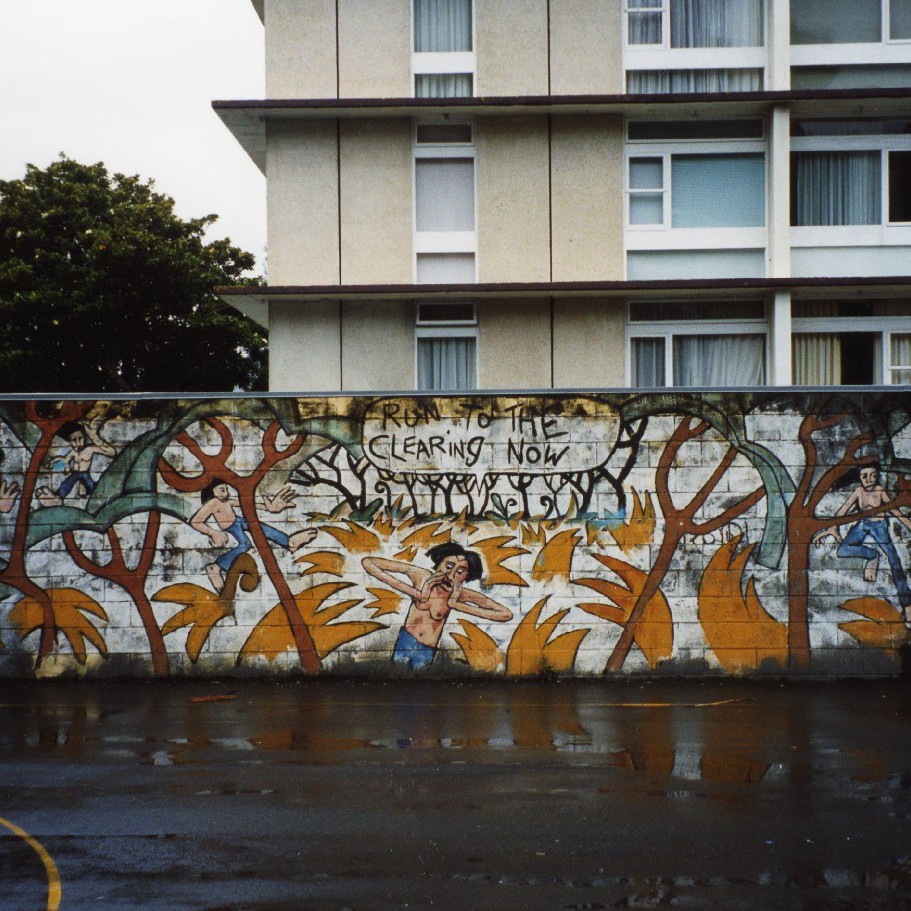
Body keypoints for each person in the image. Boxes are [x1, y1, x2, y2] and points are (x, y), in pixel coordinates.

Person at [362, 543, 512, 671]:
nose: (451, 574)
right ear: (440, 563)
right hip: (405, 640)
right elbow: (369, 563)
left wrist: (456, 604)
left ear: (466, 576)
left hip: (426, 649)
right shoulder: (421, 576)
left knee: (418, 692)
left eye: (459, 572)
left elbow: (506, 614)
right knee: (397, 683)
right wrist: (415, 593)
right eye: (448, 566)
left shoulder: (461, 594)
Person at [813, 463, 911, 618]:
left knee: (894, 560)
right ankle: (872, 555)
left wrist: (908, 524)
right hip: (863, 524)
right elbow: (844, 509)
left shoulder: (879, 490)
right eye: (864, 476)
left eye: (873, 475)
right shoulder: (858, 491)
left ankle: (908, 606)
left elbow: (894, 510)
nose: (869, 479)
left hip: (879, 526)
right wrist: (832, 528)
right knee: (843, 550)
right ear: (859, 478)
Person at [190, 478, 317, 592]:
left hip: (238, 520)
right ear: (212, 491)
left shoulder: (226, 501)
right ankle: (217, 566)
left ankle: (289, 542)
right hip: (231, 526)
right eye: (222, 490)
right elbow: (195, 521)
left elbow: (247, 505)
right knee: (245, 544)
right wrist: (213, 532)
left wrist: (269, 508)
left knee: (259, 526)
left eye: (226, 489)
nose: (227, 493)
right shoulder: (212, 503)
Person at [37, 419, 115, 505]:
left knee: (92, 487)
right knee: (67, 483)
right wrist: (53, 466)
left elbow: (111, 452)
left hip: (85, 474)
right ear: (70, 441)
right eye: (73, 440)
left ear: (84, 437)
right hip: (75, 474)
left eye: (80, 438)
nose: (78, 442)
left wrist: (93, 436)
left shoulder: (89, 449)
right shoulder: (73, 452)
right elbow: (65, 461)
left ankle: (96, 496)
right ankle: (57, 499)